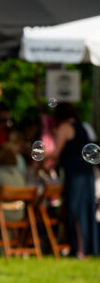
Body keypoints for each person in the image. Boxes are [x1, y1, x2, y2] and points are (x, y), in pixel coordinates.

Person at [49, 103, 98, 257]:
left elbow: (56, 153)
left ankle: (80, 250)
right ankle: (88, 248)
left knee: (76, 210)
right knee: (86, 209)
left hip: (75, 174)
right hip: (86, 173)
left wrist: (43, 157)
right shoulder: (82, 127)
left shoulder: (64, 127)